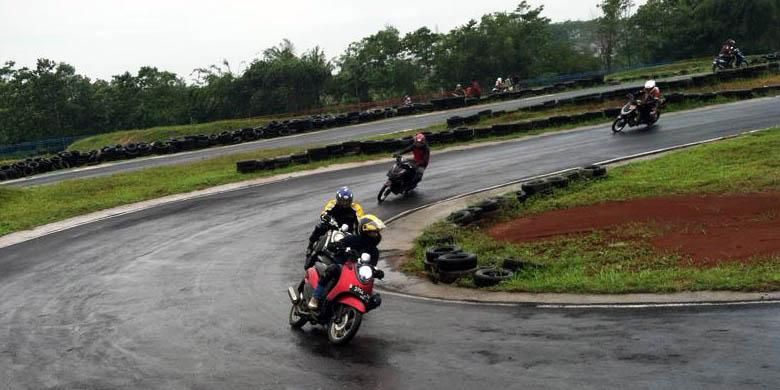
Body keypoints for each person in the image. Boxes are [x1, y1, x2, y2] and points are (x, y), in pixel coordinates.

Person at [307, 214, 386, 311]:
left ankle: (356, 309)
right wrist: (340, 247)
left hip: (357, 276)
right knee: (333, 269)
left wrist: (376, 272)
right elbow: (334, 245)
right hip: (342, 268)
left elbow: (371, 266)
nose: (376, 235)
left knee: (375, 299)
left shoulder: (374, 251)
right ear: (366, 231)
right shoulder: (353, 239)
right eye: (373, 232)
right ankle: (315, 297)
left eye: (377, 232)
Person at [306, 187, 364, 260]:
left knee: (358, 245)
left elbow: (361, 220)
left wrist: (362, 227)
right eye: (342, 201)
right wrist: (326, 217)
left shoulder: (356, 207)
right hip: (333, 226)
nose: (345, 203)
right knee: (320, 227)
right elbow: (324, 213)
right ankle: (310, 245)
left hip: (348, 231)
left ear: (351, 201)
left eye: (347, 201)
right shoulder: (332, 203)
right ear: (338, 199)